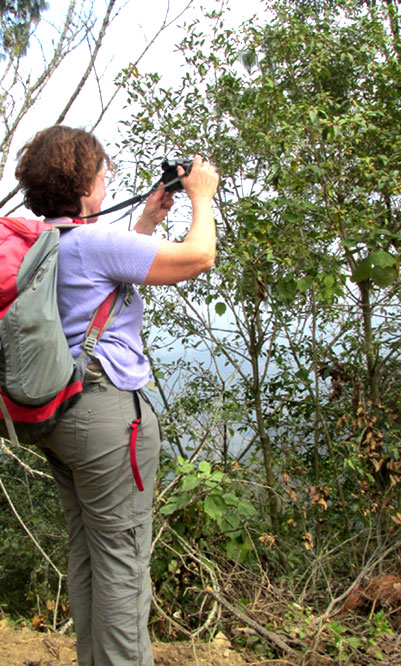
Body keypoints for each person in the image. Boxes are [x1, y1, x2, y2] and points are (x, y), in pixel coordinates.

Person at [14, 125, 219, 666]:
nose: (109, 178)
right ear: (82, 187)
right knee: (123, 569)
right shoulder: (95, 243)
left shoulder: (45, 244)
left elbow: (97, 278)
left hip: (61, 416)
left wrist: (148, 221)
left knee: (89, 560)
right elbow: (198, 256)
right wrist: (202, 196)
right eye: (103, 172)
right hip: (107, 420)